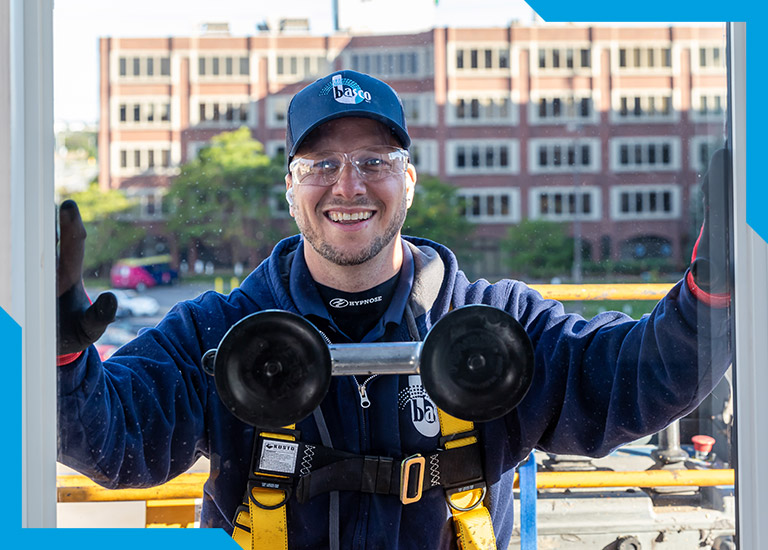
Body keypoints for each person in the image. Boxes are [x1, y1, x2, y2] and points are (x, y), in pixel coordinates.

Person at [56, 70, 732, 550]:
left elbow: (631, 382)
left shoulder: (498, 322)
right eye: (320, 165)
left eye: (373, 160)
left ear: (408, 179)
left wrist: (717, 289)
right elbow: (116, 444)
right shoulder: (215, 333)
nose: (347, 185)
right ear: (291, 188)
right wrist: (55, 353)